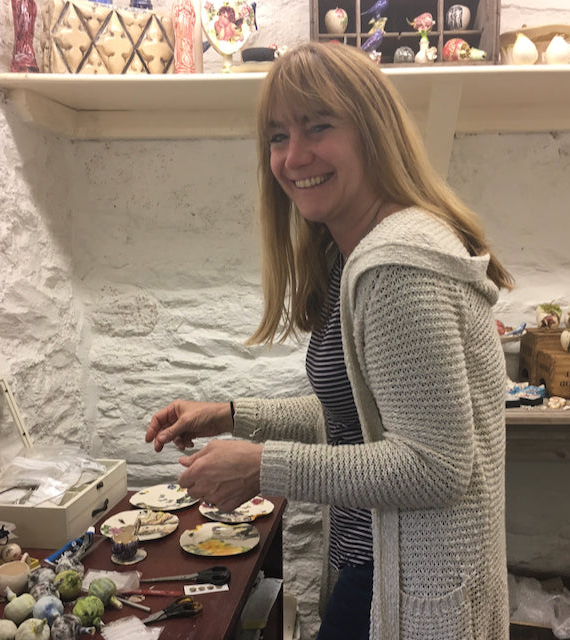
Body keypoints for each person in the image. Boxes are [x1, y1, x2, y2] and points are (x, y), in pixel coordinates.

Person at [145, 41, 513, 640]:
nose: (294, 157)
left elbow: (434, 466)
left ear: (372, 132)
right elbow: (361, 420)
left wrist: (265, 467)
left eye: (318, 127)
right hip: (378, 570)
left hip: (411, 593)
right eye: (277, 136)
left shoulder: (398, 267)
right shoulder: (357, 254)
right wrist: (232, 415)